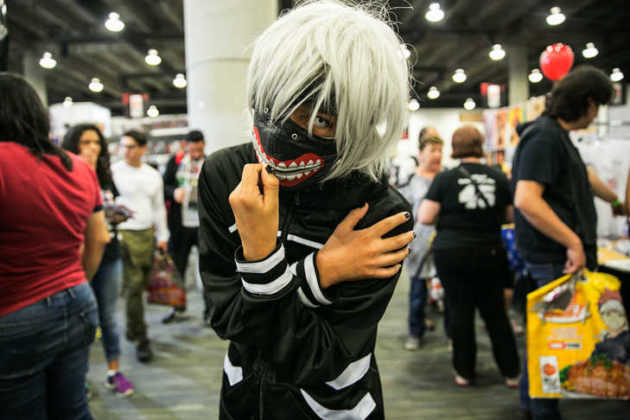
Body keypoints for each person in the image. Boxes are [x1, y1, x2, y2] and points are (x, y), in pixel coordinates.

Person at [198, 2, 415, 418]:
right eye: (276, 103)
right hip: (243, 401)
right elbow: (224, 316)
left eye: (321, 120)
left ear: (357, 123)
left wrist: (262, 261)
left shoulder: (379, 216)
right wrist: (322, 271)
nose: (284, 131)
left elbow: (318, 358)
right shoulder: (224, 174)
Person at [0, 73, 109, 419]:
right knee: (74, 409)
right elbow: (99, 238)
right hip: (78, 300)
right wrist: (76, 282)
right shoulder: (77, 167)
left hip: (14, 312)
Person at [512, 65, 616, 420]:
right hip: (553, 257)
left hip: (555, 256)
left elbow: (581, 175)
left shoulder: (555, 136)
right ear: (588, 102)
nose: (596, 115)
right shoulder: (544, 137)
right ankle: (543, 412)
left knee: (547, 338)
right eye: (598, 106)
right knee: (554, 341)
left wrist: (616, 201)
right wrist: (573, 242)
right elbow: (527, 200)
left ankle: (534, 407)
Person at [418, 125, 520, 387]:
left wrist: (451, 218)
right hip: (489, 251)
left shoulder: (444, 178)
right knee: (495, 313)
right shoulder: (498, 176)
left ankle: (464, 372)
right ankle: (511, 372)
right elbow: (511, 216)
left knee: (459, 311)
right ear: (480, 145)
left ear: (454, 148)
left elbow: (425, 217)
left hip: (451, 252)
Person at [62, 124, 134, 396]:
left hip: (109, 254)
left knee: (109, 317)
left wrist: (116, 214)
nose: (92, 147)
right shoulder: (64, 176)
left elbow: (109, 207)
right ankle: (78, 377)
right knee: (80, 321)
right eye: (85, 142)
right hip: (76, 258)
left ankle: (114, 371)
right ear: (73, 146)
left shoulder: (105, 176)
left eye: (96, 142)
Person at [112, 129, 169, 363]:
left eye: (131, 146)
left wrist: (163, 236)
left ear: (143, 148)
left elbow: (158, 207)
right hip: (125, 234)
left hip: (147, 234)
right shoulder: (114, 172)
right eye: (123, 146)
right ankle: (140, 337)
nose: (126, 151)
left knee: (143, 284)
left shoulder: (152, 175)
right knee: (134, 286)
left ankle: (132, 328)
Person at [399, 135, 443, 350]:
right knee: (418, 294)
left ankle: (454, 336)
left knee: (450, 294)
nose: (437, 155)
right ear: (421, 153)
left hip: (445, 243)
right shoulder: (410, 181)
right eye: (432, 150)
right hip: (419, 245)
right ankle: (415, 332)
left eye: (440, 150)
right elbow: (401, 213)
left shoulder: (447, 178)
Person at [162, 129, 207, 324]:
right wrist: (173, 193)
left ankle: (211, 311)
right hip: (180, 225)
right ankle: (178, 309)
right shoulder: (175, 162)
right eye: (192, 149)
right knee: (177, 268)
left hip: (203, 225)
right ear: (186, 146)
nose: (196, 153)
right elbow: (163, 186)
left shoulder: (210, 162)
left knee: (207, 269)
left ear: (203, 145)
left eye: (199, 150)